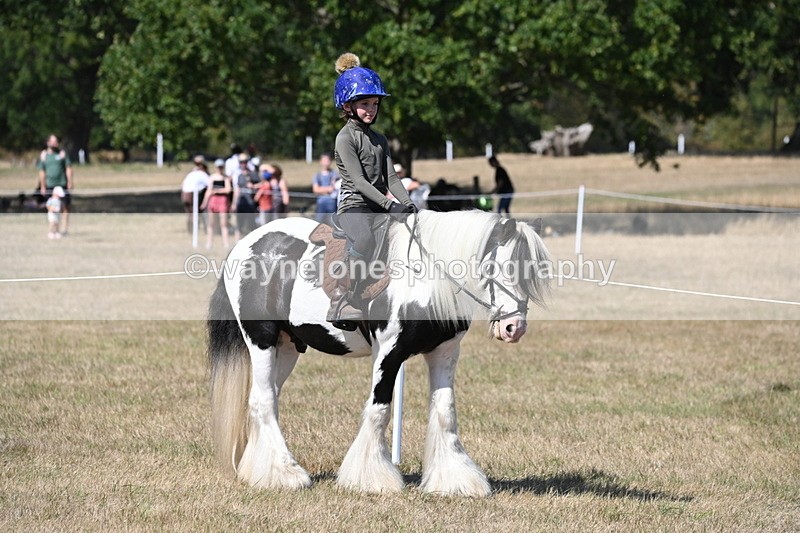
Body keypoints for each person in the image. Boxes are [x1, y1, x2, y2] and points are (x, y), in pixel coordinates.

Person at [327, 52, 415, 329]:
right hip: (355, 207)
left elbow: (391, 177)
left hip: (379, 205)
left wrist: (408, 204)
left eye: (375, 103)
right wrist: (391, 207)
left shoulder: (380, 139)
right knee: (364, 239)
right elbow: (360, 182)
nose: (371, 109)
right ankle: (343, 300)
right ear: (348, 105)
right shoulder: (344, 138)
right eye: (364, 103)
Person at [37, 135, 74, 235]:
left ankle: (65, 229)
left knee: (65, 207)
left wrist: (70, 181)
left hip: (62, 184)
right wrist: (42, 185)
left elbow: (68, 168)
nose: (55, 143)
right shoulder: (44, 156)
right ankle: (53, 229)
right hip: (50, 185)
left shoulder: (62, 154)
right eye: (53, 141)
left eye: (56, 141)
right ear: (48, 143)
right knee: (51, 207)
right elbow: (41, 171)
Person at [200, 159, 233, 249]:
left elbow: (228, 190)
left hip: (223, 201)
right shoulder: (212, 177)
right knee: (211, 224)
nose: (220, 169)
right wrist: (204, 203)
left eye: (221, 167)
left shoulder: (226, 178)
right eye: (218, 167)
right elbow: (208, 191)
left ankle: (226, 243)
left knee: (224, 224)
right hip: (213, 202)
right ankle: (209, 243)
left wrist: (217, 191)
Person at [232, 152, 260, 236]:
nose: (243, 164)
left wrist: (253, 186)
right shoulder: (239, 175)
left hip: (250, 203)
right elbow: (237, 190)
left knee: (251, 225)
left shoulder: (253, 174)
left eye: (244, 162)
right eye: (241, 162)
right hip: (241, 203)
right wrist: (234, 203)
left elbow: (262, 185)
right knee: (239, 224)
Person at [181, 155, 210, 233]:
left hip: (185, 194)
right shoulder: (202, 174)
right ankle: (195, 231)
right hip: (192, 195)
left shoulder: (192, 173)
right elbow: (210, 184)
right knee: (195, 214)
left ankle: (191, 231)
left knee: (190, 214)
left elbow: (183, 184)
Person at [311, 153, 339, 222]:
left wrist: (323, 189)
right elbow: (316, 189)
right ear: (320, 161)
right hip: (321, 202)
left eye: (327, 160)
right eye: (324, 161)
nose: (326, 163)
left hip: (332, 202)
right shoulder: (317, 175)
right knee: (318, 223)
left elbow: (336, 186)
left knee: (332, 223)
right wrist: (328, 189)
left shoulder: (334, 174)